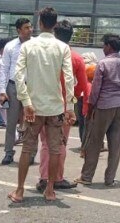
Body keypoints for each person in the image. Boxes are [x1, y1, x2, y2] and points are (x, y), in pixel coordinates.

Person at [7, 7, 75, 203]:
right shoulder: (63, 48)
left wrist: (25, 101)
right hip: (55, 108)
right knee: (54, 149)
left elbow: (19, 76)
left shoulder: (28, 46)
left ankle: (19, 191)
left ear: (40, 23)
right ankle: (50, 190)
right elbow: (69, 79)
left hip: (33, 107)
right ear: (54, 24)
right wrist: (70, 107)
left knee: (27, 148)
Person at [36, 20, 88, 191]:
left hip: (41, 102)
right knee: (60, 144)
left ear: (54, 33)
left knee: (45, 143)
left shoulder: (43, 53)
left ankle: (44, 178)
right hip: (63, 106)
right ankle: (56, 178)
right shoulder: (76, 58)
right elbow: (81, 85)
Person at [75, 33, 120, 186]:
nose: (103, 48)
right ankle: (109, 178)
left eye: (104, 45)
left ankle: (87, 177)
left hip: (104, 105)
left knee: (95, 141)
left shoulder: (103, 64)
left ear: (109, 46)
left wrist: (91, 105)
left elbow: (96, 89)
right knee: (115, 144)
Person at [0, 18, 33, 165]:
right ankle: (8, 152)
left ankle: (30, 153)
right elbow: (4, 69)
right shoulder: (10, 46)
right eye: (26, 28)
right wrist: (2, 90)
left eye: (30, 27)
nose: (30, 30)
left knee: (31, 122)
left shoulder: (36, 44)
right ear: (19, 30)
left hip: (31, 87)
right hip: (13, 87)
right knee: (11, 122)